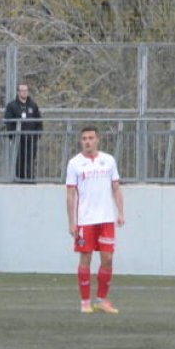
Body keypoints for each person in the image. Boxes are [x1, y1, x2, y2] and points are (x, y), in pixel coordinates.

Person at [66, 127, 125, 314]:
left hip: (106, 219)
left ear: (97, 139)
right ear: (81, 141)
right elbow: (70, 194)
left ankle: (101, 300)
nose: (87, 141)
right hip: (85, 220)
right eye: (84, 138)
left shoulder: (108, 160)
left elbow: (116, 188)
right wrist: (72, 222)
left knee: (107, 258)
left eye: (91, 138)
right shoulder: (74, 163)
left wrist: (120, 212)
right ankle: (85, 302)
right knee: (86, 257)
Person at [4, 83, 43, 182]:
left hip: (31, 139)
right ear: (18, 92)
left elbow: (39, 120)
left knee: (30, 159)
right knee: (19, 160)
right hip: (18, 139)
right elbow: (8, 122)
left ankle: (30, 179)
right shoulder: (12, 106)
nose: (24, 92)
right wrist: (12, 135)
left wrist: (38, 134)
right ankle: (19, 180)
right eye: (22, 90)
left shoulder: (33, 105)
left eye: (26, 90)